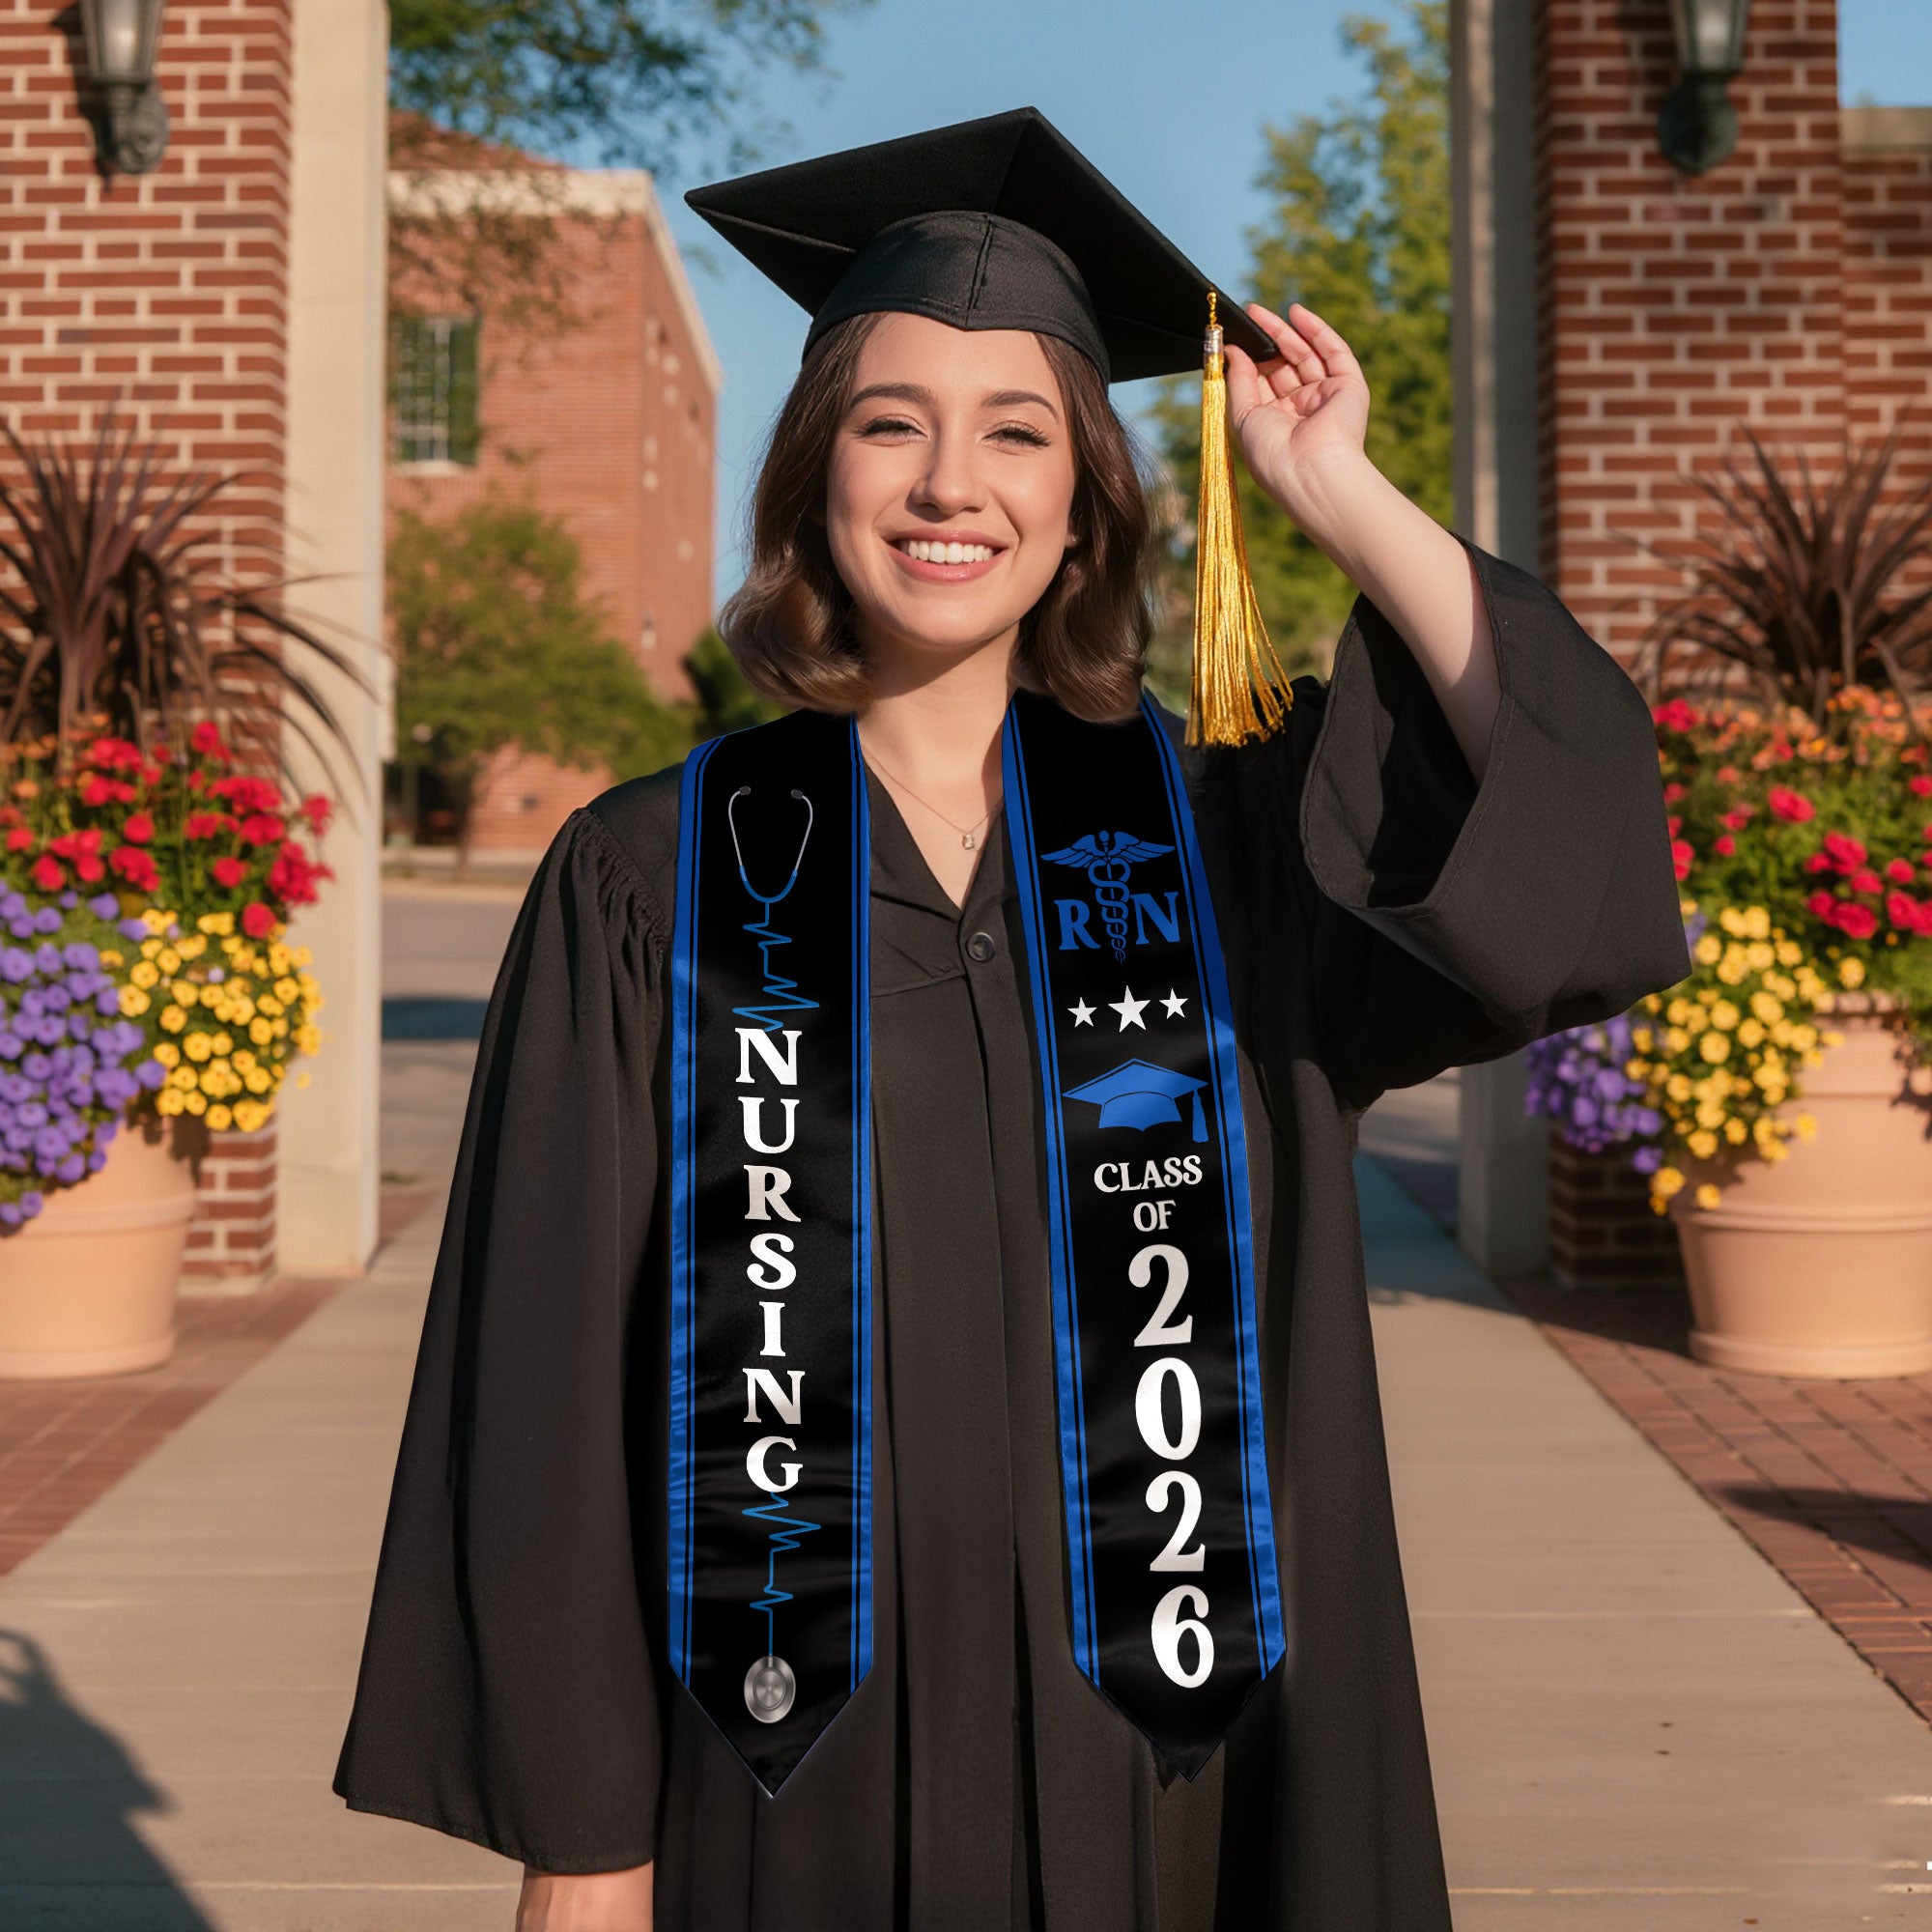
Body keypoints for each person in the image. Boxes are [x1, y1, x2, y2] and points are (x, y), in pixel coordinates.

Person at [332, 109, 1690, 1931]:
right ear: (818, 472)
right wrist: (585, 1845)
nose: (948, 483)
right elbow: (549, 1383)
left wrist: (1336, 491)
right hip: (781, 1789)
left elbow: (1560, 834)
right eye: (892, 424)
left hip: (1180, 1789)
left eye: (1016, 433)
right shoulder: (651, 879)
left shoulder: (1230, 854)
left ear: (1083, 504)